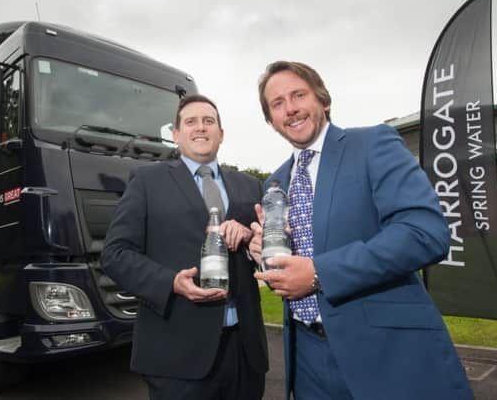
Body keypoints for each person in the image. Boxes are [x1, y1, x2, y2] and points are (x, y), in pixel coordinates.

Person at [250, 61, 473, 400]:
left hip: (387, 354)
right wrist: (265, 255)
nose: (291, 108)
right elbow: (297, 258)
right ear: (270, 120)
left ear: (323, 100)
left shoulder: (372, 144)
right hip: (307, 359)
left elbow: (425, 231)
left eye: (298, 95)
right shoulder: (275, 182)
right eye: (277, 103)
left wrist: (318, 273)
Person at [101, 94, 268, 400]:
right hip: (177, 356)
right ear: (176, 135)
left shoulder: (250, 186)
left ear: (221, 133)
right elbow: (115, 254)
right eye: (190, 121)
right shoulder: (146, 181)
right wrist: (171, 283)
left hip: (245, 353)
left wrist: (250, 241)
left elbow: (265, 256)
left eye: (209, 121)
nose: (200, 128)